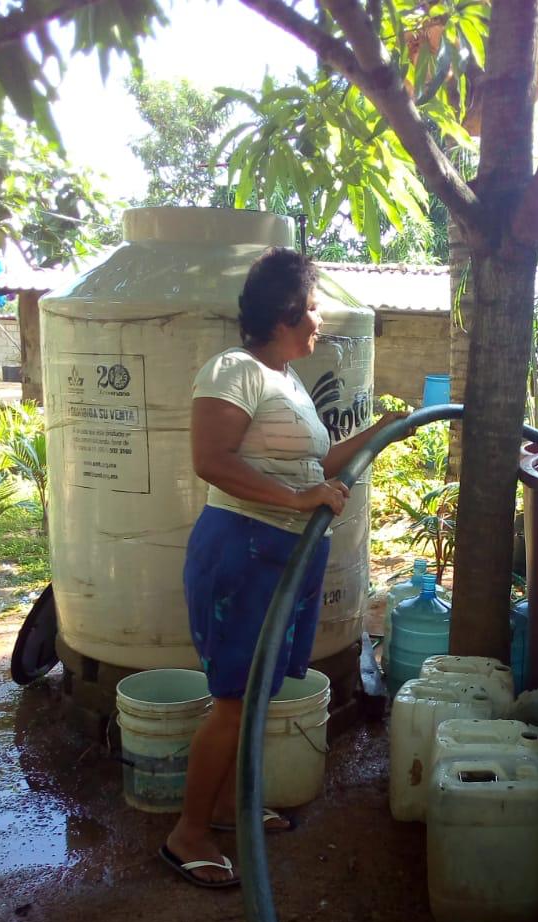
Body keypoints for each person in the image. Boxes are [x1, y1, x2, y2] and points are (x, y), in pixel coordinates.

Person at [160, 247, 406, 888]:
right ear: (289, 311)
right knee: (235, 703)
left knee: (257, 693)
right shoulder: (234, 370)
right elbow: (211, 459)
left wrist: (383, 431)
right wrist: (298, 501)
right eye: (315, 307)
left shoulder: (286, 380)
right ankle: (186, 835)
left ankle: (220, 809)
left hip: (283, 558)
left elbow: (314, 468)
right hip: (243, 552)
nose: (322, 320)